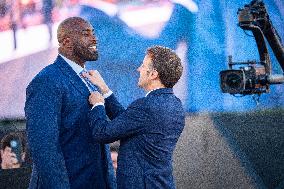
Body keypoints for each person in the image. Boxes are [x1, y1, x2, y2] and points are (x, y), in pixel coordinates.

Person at [24, 17, 116, 189]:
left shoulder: (89, 80)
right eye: (86, 34)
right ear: (67, 42)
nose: (94, 39)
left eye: (93, 33)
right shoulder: (46, 81)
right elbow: (44, 149)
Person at [84, 45, 185, 188]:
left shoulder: (146, 106)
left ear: (153, 74)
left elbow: (102, 133)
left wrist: (98, 105)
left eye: (143, 66)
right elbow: (128, 121)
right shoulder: (176, 105)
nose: (139, 69)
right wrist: (105, 90)